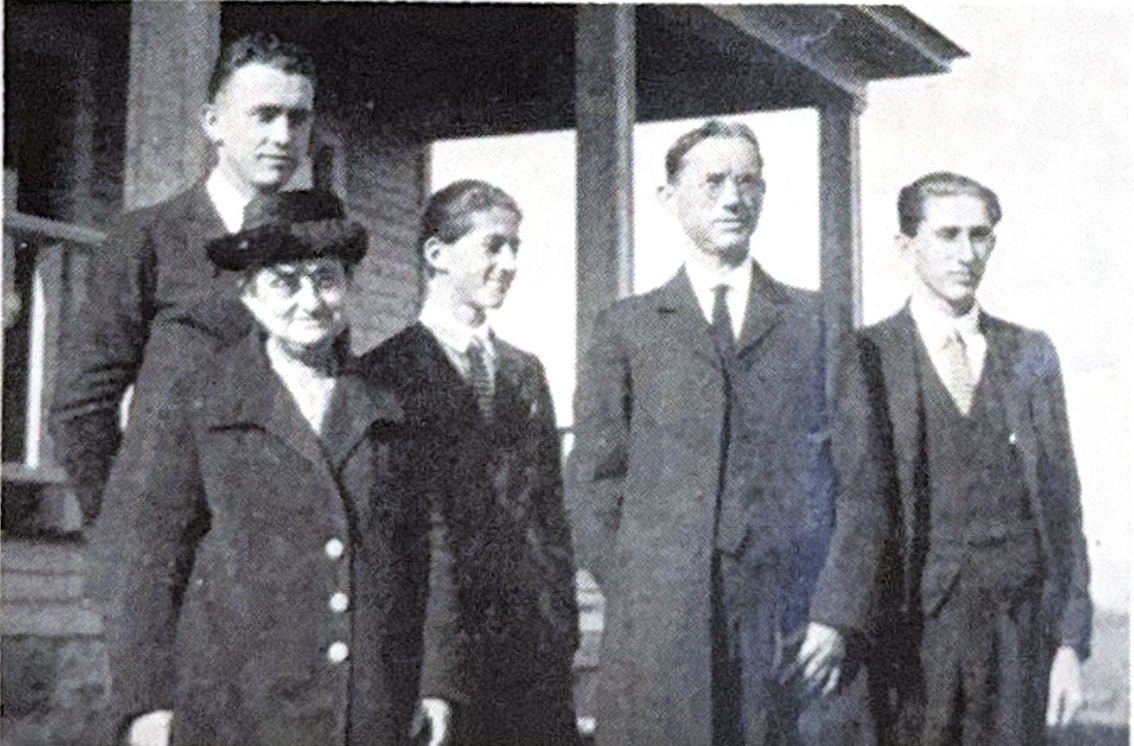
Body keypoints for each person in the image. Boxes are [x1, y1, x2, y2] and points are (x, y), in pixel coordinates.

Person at [567, 119, 886, 746]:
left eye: (748, 181)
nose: (733, 198)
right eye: (713, 182)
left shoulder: (816, 323)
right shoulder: (628, 329)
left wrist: (835, 614)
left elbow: (862, 487)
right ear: (668, 198)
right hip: (665, 638)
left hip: (791, 636)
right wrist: (646, 591)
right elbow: (592, 485)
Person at [90, 190, 430, 746]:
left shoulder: (390, 403)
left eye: (326, 278)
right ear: (249, 294)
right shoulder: (199, 398)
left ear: (349, 288)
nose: (310, 300)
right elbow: (149, 556)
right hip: (237, 705)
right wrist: (145, 702)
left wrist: (433, 682)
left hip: (365, 706)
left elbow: (427, 550)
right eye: (284, 281)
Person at [861, 172, 1091, 745]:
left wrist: (1069, 646)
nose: (966, 253)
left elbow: (1064, 511)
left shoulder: (1029, 354)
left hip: (1018, 638)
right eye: (947, 235)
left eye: (980, 236)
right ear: (906, 245)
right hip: (912, 642)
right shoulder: (868, 355)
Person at [50, 32, 317, 522]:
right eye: (264, 115)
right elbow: (81, 407)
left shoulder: (316, 253)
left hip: (284, 548)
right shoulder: (148, 238)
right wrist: (126, 531)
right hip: (182, 546)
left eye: (297, 118)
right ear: (213, 122)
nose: (282, 136)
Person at [363, 180, 580, 746]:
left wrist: (560, 626)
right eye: (492, 246)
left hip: (532, 658)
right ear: (437, 254)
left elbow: (548, 514)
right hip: (438, 664)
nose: (509, 263)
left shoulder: (525, 373)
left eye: (516, 248)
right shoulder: (381, 375)